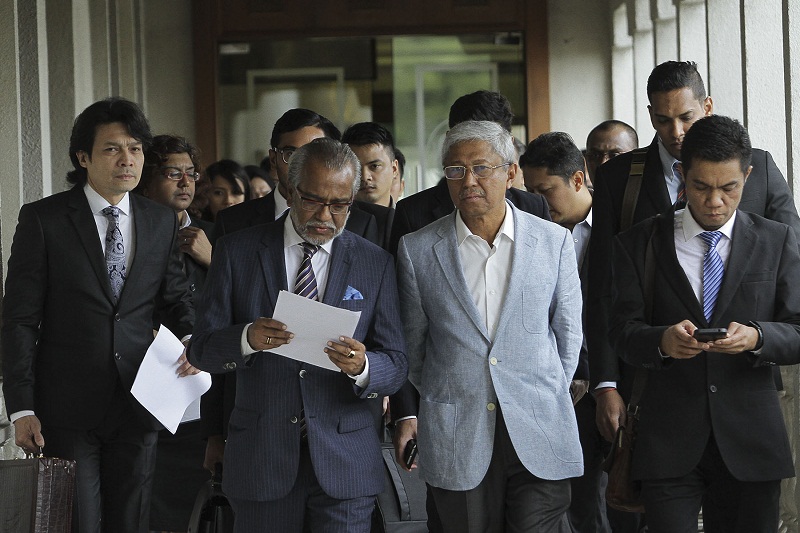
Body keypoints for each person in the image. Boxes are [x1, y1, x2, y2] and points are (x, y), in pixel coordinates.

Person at [188, 137, 408, 532]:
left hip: (346, 463)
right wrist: (245, 339)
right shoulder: (237, 252)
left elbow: (397, 362)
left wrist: (363, 366)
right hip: (261, 459)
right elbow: (202, 349)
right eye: (313, 200)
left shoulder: (375, 263)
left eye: (340, 205)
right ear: (289, 189)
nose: (325, 215)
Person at [1, 97, 197, 533]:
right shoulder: (44, 220)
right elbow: (18, 319)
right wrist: (20, 407)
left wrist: (188, 340)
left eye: (135, 148)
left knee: (132, 520)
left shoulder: (160, 221)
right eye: (112, 149)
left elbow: (176, 300)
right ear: (83, 157)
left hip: (141, 402)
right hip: (67, 407)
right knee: (80, 522)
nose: (127, 159)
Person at [588, 59, 800, 446]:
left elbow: (792, 262)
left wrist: (759, 336)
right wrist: (605, 383)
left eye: (685, 116)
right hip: (655, 386)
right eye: (663, 120)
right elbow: (602, 289)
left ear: (707, 107)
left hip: (746, 387)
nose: (676, 131)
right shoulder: (620, 179)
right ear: (650, 115)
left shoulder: (759, 169)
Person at [609, 114, 800, 532]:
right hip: (668, 441)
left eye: (729, 188)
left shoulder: (776, 240)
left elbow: (798, 329)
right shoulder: (638, 243)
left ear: (747, 176)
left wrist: (758, 336)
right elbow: (622, 333)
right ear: (681, 174)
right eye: (701, 187)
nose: (715, 201)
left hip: (751, 440)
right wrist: (662, 341)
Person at [397, 120, 583, 532]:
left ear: (510, 172)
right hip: (457, 429)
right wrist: (452, 390)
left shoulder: (553, 242)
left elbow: (568, 335)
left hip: (539, 425)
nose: (469, 181)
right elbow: (414, 349)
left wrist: (543, 388)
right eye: (455, 170)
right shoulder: (418, 249)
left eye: (482, 168)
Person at [520, 132, 608, 532]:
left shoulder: (615, 225)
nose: (538, 201)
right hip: (554, 391)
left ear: (577, 178)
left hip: (610, 385)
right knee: (572, 503)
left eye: (545, 190)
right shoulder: (530, 235)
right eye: (530, 191)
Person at [136, 134, 213, 532]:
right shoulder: (132, 233)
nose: (185, 182)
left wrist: (211, 258)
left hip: (201, 383)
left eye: (191, 173)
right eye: (172, 174)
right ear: (147, 180)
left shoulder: (215, 234)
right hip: (145, 381)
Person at [342, 122, 399, 248]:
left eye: (374, 166)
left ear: (394, 169)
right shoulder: (335, 223)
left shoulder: (411, 221)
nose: (365, 176)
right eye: (355, 168)